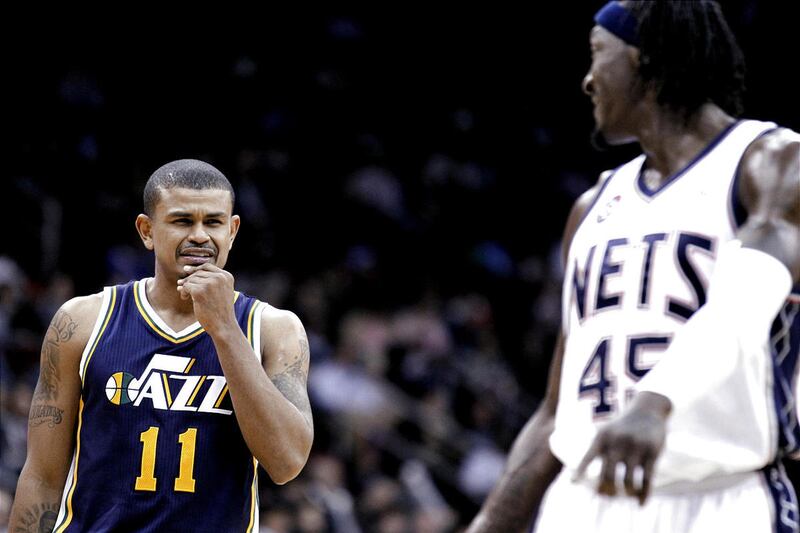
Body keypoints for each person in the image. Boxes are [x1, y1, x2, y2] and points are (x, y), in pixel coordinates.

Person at [468, 1, 800, 532]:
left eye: (598, 54)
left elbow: (746, 300)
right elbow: (559, 410)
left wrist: (655, 401)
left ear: (645, 58)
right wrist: (492, 521)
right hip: (582, 504)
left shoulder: (771, 161)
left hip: (720, 497)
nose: (587, 80)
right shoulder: (591, 208)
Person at [9, 159, 314, 532]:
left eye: (214, 222)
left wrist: (223, 328)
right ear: (147, 230)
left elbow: (286, 463)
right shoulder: (82, 322)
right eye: (183, 221)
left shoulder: (272, 330)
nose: (200, 235)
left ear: (232, 231)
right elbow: (42, 476)